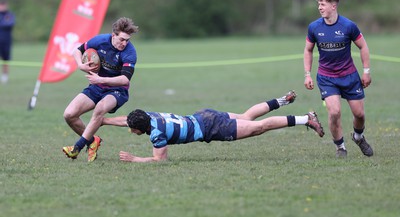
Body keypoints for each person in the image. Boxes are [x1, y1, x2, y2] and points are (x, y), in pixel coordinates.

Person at [101, 91, 325, 163]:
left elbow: (160, 160)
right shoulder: (150, 116)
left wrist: (134, 159)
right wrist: (103, 120)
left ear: (140, 129)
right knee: (247, 115)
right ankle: (282, 101)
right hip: (204, 115)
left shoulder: (157, 134)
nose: (130, 130)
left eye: (132, 129)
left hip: (211, 129)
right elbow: (126, 120)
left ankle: (306, 119)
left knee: (259, 127)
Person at [303, 0, 373, 158]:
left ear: (333, 6)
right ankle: (340, 147)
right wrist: (307, 74)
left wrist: (366, 72)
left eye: (323, 4)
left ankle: (358, 137)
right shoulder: (314, 27)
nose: (319, 7)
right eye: (319, 4)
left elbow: (363, 46)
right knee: (334, 112)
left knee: (359, 114)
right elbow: (308, 50)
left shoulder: (348, 26)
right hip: (327, 78)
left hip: (349, 76)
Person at [62, 17, 139, 162]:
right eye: (122, 39)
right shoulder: (100, 41)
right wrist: (80, 65)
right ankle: (92, 141)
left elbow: (125, 79)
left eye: (127, 40)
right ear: (113, 35)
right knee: (69, 114)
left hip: (117, 90)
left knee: (99, 109)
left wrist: (101, 79)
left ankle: (76, 149)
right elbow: (77, 51)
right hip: (96, 86)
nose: (125, 43)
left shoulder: (130, 52)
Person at [0, 0, 16, 84]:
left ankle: (5, 76)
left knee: (5, 60)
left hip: (6, 41)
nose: (2, 7)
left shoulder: (9, 15)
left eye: (3, 5)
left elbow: (10, 24)